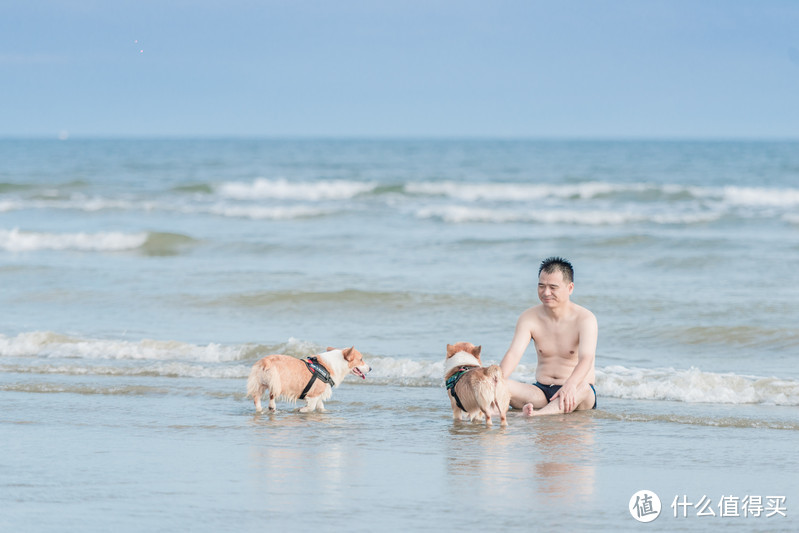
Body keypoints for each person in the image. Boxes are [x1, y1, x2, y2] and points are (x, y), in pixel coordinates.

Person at [499, 257, 597, 416]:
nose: (546, 292)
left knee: (584, 387)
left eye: (553, 287)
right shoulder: (529, 317)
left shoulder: (585, 319)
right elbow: (514, 353)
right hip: (541, 392)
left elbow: (587, 358)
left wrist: (570, 385)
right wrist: (496, 382)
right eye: (541, 286)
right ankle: (494, 411)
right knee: (500, 384)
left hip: (577, 391)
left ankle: (538, 414)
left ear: (570, 288)